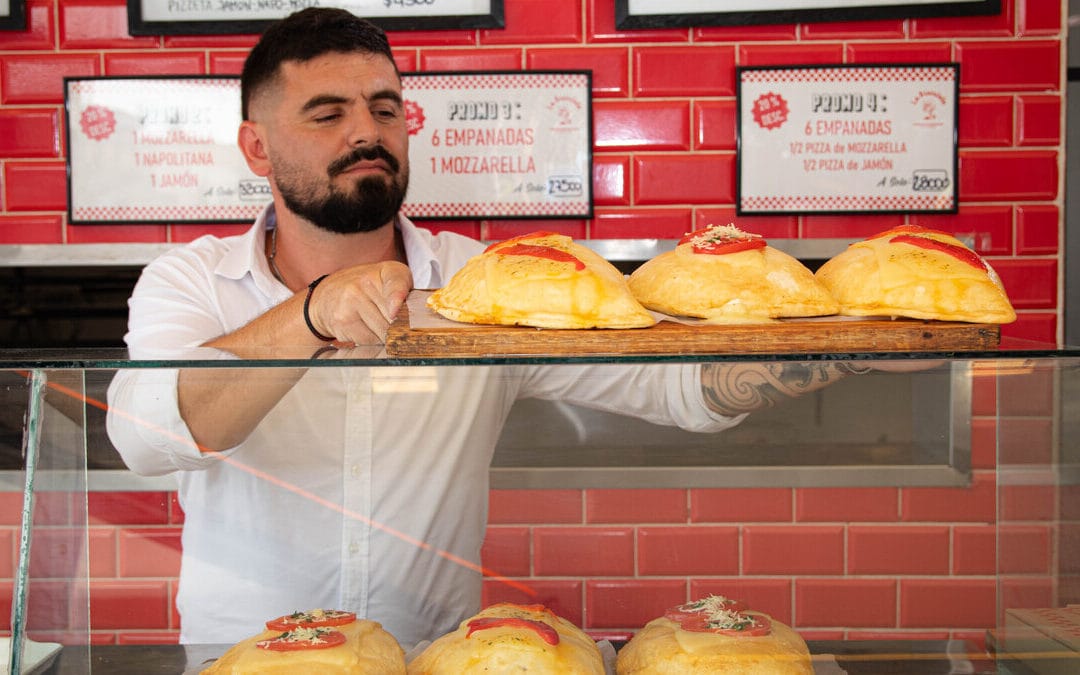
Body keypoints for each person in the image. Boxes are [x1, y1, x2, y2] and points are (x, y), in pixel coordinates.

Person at [105, 7, 873, 648]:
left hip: (440, 659)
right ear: (256, 147)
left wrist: (866, 343)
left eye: (382, 107)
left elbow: (675, 384)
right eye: (327, 113)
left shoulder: (491, 283)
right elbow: (147, 437)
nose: (365, 132)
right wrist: (314, 313)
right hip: (246, 658)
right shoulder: (189, 281)